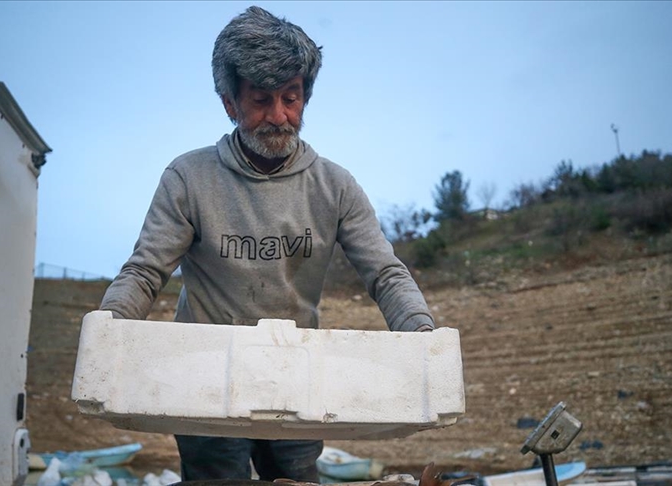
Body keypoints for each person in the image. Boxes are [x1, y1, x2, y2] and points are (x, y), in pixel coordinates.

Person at [100, 5, 435, 481]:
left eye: (291, 99)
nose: (279, 116)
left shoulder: (335, 186)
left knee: (295, 479)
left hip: (298, 377)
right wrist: (108, 328)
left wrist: (422, 334)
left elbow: (384, 273)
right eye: (260, 100)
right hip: (205, 379)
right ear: (229, 103)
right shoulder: (189, 178)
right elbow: (145, 270)